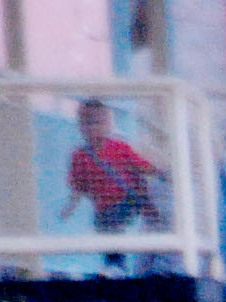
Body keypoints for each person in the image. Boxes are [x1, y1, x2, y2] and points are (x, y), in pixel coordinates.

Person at [61, 98, 165, 270]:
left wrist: (160, 172)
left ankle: (126, 259)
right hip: (104, 208)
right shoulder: (79, 156)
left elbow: (141, 165)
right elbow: (77, 186)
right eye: (87, 123)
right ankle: (115, 264)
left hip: (127, 201)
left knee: (114, 225)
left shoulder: (120, 148)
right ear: (81, 126)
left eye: (99, 122)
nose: (93, 128)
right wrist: (70, 207)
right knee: (104, 229)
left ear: (108, 124)